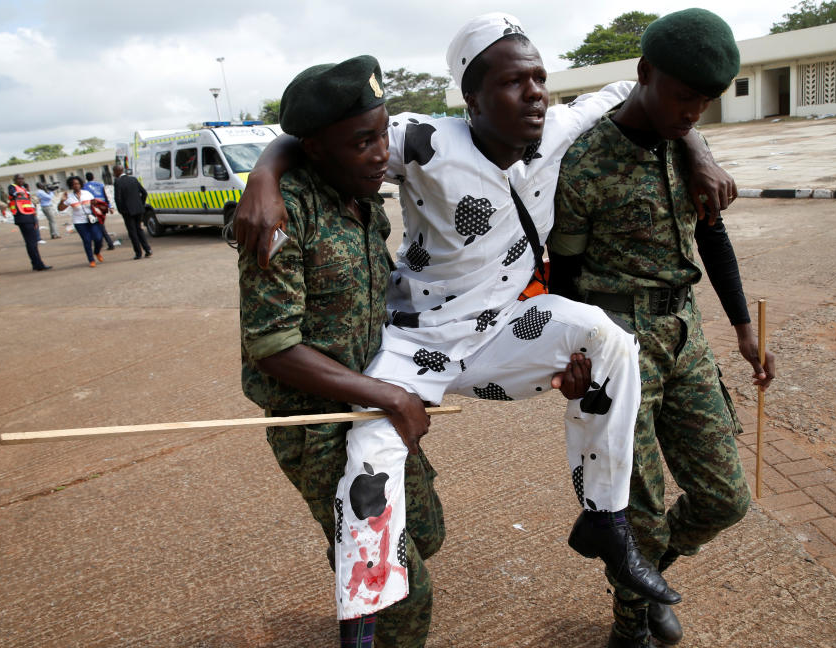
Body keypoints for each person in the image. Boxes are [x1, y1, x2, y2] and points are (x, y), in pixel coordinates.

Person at [234, 11, 739, 634]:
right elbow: (324, 136)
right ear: (471, 98)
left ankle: (606, 521)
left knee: (608, 340)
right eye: (512, 83)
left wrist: (696, 147)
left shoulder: (559, 127)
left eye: (539, 79)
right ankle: (364, 612)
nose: (534, 94)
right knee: (372, 448)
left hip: (503, 331)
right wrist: (265, 171)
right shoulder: (422, 140)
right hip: (419, 339)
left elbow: (645, 96)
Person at [548, 10, 776, 647]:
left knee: (724, 498)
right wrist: (568, 355)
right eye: (684, 97)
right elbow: (562, 274)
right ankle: (630, 628)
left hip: (683, 331)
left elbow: (712, 233)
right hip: (616, 347)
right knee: (639, 512)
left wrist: (740, 328)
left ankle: (645, 579)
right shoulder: (586, 164)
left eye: (706, 101)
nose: (694, 112)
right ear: (643, 74)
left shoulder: (686, 145)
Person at [239, 56, 450, 647]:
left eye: (382, 133)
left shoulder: (361, 197)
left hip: (375, 408)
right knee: (401, 584)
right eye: (362, 141)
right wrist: (385, 394)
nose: (381, 152)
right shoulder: (282, 214)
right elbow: (273, 346)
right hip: (320, 426)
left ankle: (358, 598)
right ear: (313, 148)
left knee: (426, 532)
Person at [7, 174, 51, 271]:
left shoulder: (23, 189)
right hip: (22, 217)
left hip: (29, 216)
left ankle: (37, 263)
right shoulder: (13, 187)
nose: (21, 180)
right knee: (31, 242)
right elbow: (12, 194)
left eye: (23, 178)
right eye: (19, 178)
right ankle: (38, 264)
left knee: (33, 241)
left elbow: (28, 202)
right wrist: (19, 193)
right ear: (15, 180)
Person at [59, 176, 104, 268]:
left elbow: (95, 204)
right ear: (71, 186)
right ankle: (91, 260)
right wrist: (62, 201)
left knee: (98, 238)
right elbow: (60, 209)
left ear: (81, 184)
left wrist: (97, 205)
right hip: (79, 222)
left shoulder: (87, 193)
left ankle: (97, 252)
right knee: (87, 240)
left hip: (92, 219)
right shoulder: (70, 197)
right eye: (73, 184)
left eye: (77, 183)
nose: (76, 185)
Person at [111, 165, 153, 259]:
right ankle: (148, 249)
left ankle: (138, 253)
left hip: (127, 211)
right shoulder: (133, 179)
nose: (113, 174)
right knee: (139, 229)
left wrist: (121, 210)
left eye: (114, 172)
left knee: (132, 232)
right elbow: (144, 193)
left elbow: (117, 198)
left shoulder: (118, 182)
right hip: (138, 209)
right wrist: (141, 204)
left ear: (117, 171)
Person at [82, 171, 115, 250]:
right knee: (101, 225)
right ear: (93, 177)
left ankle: (107, 243)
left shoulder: (84, 187)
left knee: (97, 226)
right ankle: (106, 243)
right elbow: (106, 195)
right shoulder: (100, 185)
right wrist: (110, 206)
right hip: (102, 207)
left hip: (93, 208)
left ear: (86, 178)